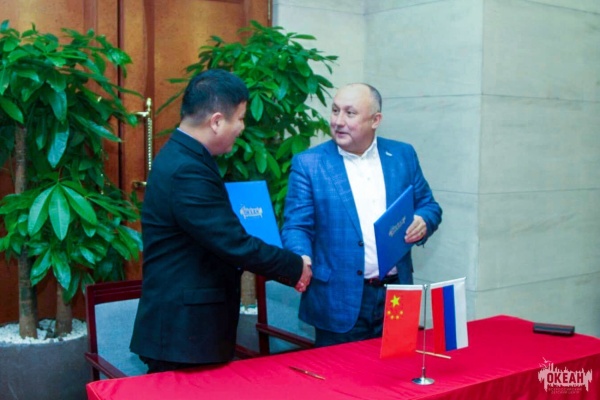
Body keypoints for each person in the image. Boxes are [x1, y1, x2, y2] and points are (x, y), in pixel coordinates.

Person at [130, 69, 312, 373]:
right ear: (216, 121)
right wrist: (295, 267)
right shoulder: (187, 170)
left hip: (187, 330)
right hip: (183, 335)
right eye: (240, 118)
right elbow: (234, 243)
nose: (242, 127)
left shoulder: (185, 155)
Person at [281, 83, 442, 347]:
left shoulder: (402, 155)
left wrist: (423, 221)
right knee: (341, 373)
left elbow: (429, 205)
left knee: (398, 370)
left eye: (350, 113)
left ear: (375, 120)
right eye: (335, 111)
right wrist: (302, 257)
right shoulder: (309, 163)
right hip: (337, 297)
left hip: (397, 293)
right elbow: (296, 225)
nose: (338, 121)